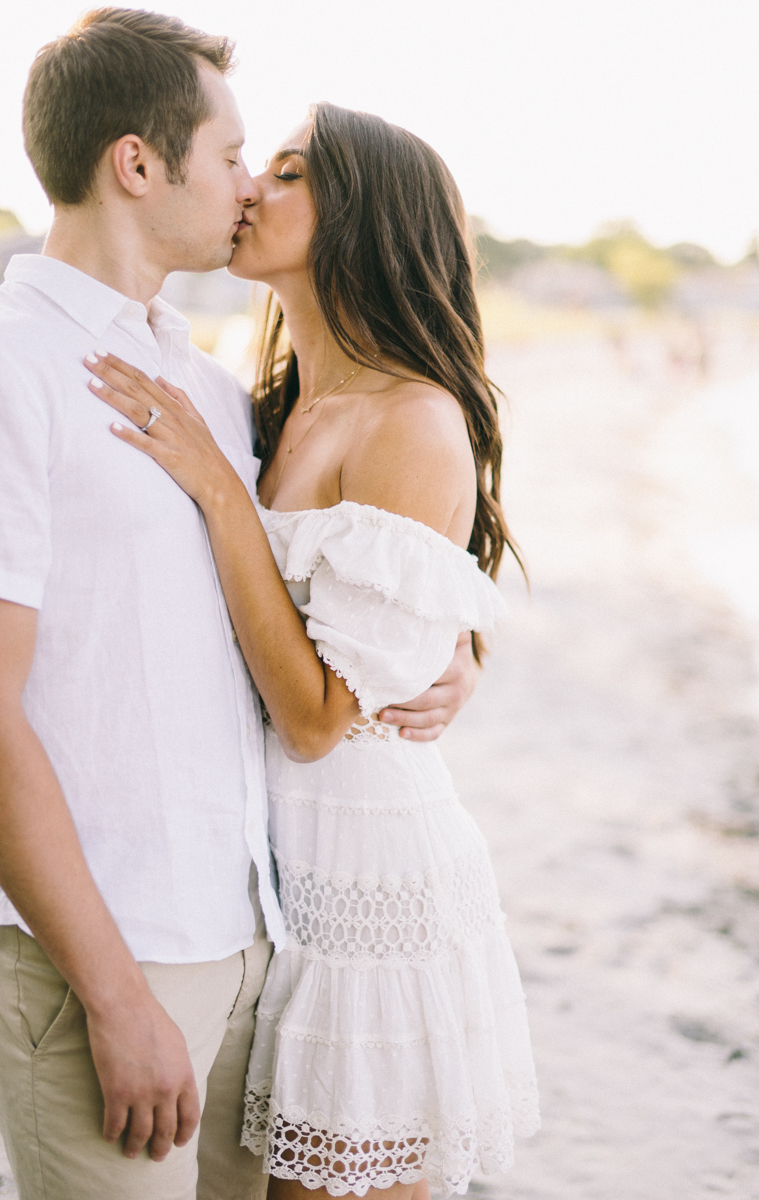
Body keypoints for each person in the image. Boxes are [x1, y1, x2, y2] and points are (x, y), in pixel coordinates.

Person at [0, 12, 475, 1200]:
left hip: (274, 931)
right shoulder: (30, 369)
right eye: (234, 157)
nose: (249, 185)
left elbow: (347, 581)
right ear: (137, 164)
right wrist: (111, 992)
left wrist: (448, 651)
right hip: (117, 959)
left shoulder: (208, 394)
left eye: (278, 165)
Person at [87, 102, 540, 1199]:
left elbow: (315, 717)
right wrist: (447, 650)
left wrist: (215, 490)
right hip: (265, 884)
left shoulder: (411, 418)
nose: (248, 189)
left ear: (361, 221)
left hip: (367, 887)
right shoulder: (276, 405)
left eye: (285, 172)